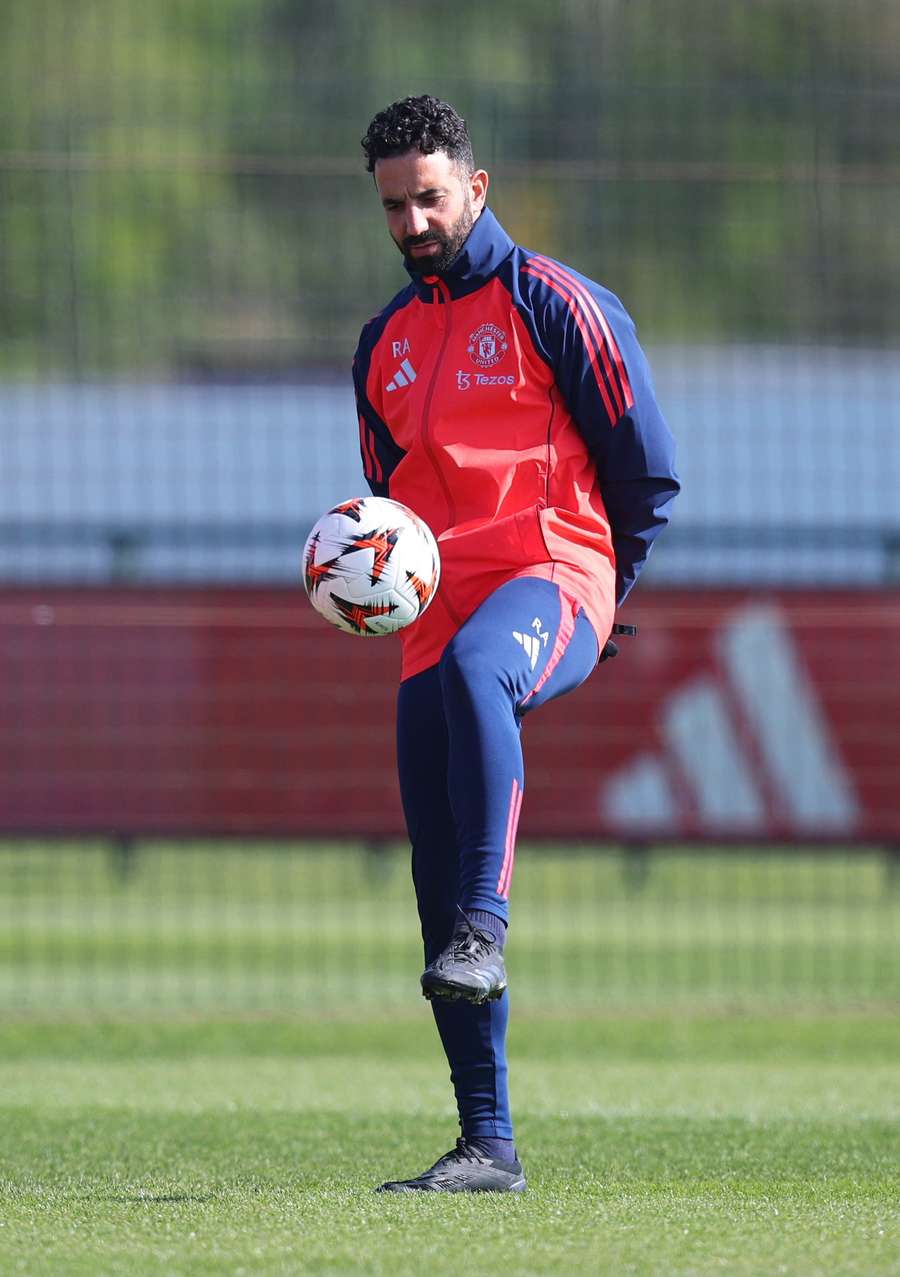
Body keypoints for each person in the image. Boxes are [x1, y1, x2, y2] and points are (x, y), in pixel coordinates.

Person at [353, 95, 679, 1193]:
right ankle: (486, 1143)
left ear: (475, 187)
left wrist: (602, 593)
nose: (412, 222)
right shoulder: (383, 345)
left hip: (553, 575)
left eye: (429, 197)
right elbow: (388, 507)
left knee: (480, 670)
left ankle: (486, 923)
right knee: (433, 861)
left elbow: (647, 471)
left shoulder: (554, 302)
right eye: (393, 205)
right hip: (433, 618)